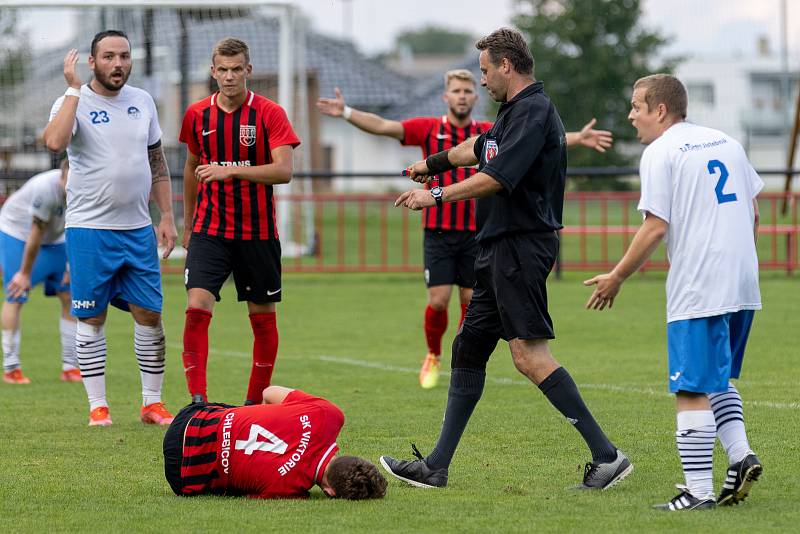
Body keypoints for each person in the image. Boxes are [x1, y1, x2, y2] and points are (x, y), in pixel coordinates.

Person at [380, 28, 631, 490]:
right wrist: (432, 163)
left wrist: (434, 195)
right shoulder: (513, 112)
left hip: (521, 246)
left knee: (529, 356)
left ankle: (607, 455)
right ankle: (436, 466)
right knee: (468, 348)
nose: (482, 82)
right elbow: (475, 150)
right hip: (496, 247)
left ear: (506, 66)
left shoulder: (534, 112)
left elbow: (494, 176)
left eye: (485, 71)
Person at [317, 71, 612, 389]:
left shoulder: (487, 130)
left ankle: (464, 357)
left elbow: (531, 141)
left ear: (474, 97)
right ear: (446, 96)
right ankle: (432, 354)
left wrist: (577, 137)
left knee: (473, 302)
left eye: (468, 90)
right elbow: (385, 126)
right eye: (456, 90)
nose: (462, 95)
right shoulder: (429, 128)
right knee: (439, 300)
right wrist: (346, 113)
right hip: (438, 232)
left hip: (476, 233)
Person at [584, 74, 763, 510]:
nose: (631, 115)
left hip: (700, 284)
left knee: (690, 389)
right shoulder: (726, 142)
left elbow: (655, 226)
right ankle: (741, 456)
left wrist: (617, 276)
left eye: (636, 106)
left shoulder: (661, 151)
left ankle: (697, 492)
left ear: (659, 111)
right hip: (743, 280)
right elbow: (753, 211)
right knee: (716, 378)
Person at [42, 30, 178, 427]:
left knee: (150, 314)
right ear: (92, 61)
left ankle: (152, 403)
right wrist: (72, 91)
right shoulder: (73, 100)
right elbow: (54, 142)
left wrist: (166, 216)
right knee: (92, 317)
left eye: (124, 56)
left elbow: (156, 161)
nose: (118, 64)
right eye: (109, 57)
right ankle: (97, 405)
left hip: (137, 229)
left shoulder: (143, 100)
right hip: (89, 230)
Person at [179, 38, 300, 406]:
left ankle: (252, 404)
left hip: (257, 232)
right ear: (213, 71)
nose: (229, 77)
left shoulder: (269, 113)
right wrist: (187, 224)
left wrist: (230, 171)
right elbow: (190, 166)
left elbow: (283, 171)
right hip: (209, 230)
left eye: (236, 70)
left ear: (248, 71)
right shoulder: (197, 114)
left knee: (262, 317)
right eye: (222, 70)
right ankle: (198, 401)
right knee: (197, 305)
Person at [163, 384, 388, 500]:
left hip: (191, 418)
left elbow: (269, 392)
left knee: (241, 414)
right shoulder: (289, 491)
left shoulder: (330, 415)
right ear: (330, 491)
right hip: (182, 475)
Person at [0, 159, 78, 384]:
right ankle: (11, 367)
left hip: (56, 237)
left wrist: (71, 266)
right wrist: (24, 273)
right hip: (18, 233)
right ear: (61, 177)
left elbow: (81, 227)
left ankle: (70, 366)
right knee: (16, 294)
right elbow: (36, 232)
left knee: (69, 295)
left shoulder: (87, 187)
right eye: (68, 182)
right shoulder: (46, 189)